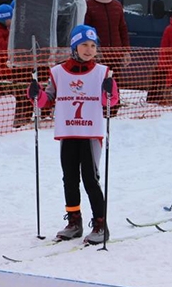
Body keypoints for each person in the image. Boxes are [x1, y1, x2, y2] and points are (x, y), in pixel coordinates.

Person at [28, 24, 118, 244]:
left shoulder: (102, 72)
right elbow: (46, 100)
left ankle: (100, 223)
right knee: (69, 178)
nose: (88, 49)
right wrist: (35, 94)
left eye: (92, 45)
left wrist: (110, 90)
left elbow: (111, 102)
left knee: (90, 178)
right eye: (84, 45)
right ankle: (74, 221)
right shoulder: (58, 72)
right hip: (68, 132)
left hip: (90, 133)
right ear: (74, 47)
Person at [85, 0, 129, 115]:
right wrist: (93, 49)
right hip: (98, 54)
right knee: (98, 80)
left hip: (116, 52)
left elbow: (122, 29)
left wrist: (126, 51)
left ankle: (114, 107)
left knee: (114, 80)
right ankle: (99, 107)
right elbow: (87, 29)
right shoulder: (89, 4)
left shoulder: (116, 5)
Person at [0, 3, 29, 127]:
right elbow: (4, 47)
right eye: (10, 20)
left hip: (3, 68)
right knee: (2, 96)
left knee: (10, 94)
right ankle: (3, 119)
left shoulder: (2, 28)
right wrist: (12, 35)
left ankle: (12, 117)